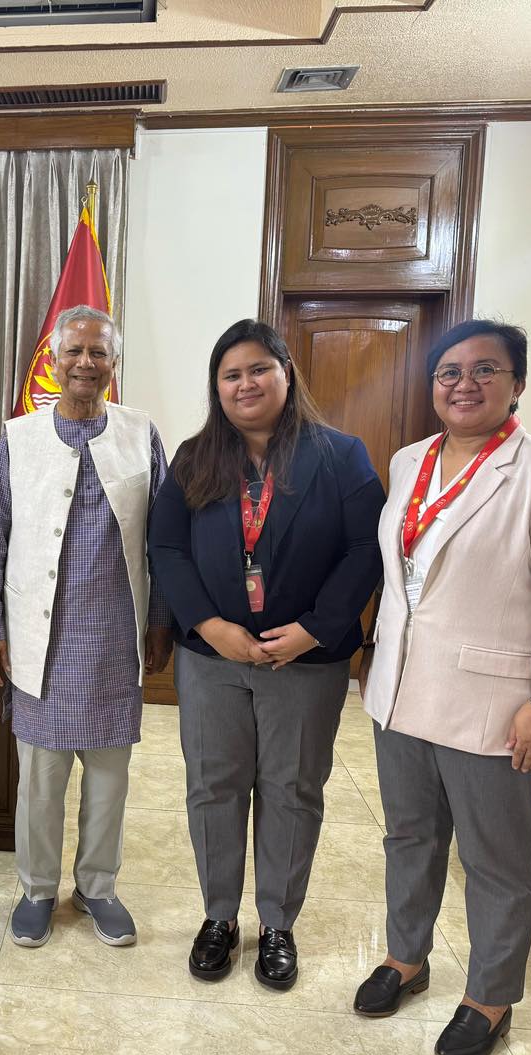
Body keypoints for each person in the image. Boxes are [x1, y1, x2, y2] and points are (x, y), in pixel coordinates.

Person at [354, 319, 531, 1055]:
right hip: (400, 693)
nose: (465, 384)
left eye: (485, 370)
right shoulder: (409, 461)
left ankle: (491, 997)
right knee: (409, 836)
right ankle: (406, 957)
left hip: (492, 707)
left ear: (516, 383)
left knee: (496, 858)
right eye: (449, 372)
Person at [147, 319, 383, 987]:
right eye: (231, 374)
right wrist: (208, 624)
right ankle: (219, 917)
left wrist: (316, 628)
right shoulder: (194, 458)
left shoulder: (341, 456)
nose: (245, 383)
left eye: (258, 369)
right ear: (216, 387)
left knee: (292, 789)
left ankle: (278, 922)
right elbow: (167, 547)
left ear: (286, 374)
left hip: (305, 661)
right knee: (213, 786)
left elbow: (363, 548)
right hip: (212, 660)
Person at [0, 304, 172, 950]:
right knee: (41, 780)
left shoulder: (140, 434)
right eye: (74, 352)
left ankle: (98, 887)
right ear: (53, 362)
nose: (86, 363)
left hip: (114, 641)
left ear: (114, 362)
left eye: (98, 352)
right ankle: (36, 890)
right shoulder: (19, 437)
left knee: (108, 783)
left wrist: (161, 622)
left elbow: (165, 539)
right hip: (40, 643)